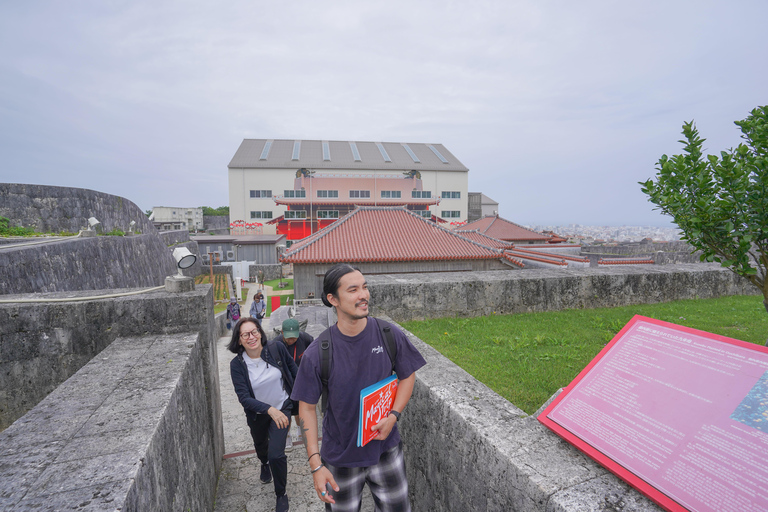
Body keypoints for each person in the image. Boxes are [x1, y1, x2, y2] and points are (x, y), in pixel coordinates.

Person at [291, 264, 426, 511]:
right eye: (353, 290)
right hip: (340, 459)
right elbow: (307, 409)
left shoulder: (388, 334)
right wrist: (316, 465)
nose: (363, 295)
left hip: (386, 451)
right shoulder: (318, 352)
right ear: (333, 299)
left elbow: (408, 375)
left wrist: (393, 416)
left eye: (364, 287)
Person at [229, 317, 297, 512]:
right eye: (246, 334)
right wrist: (269, 409)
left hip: (282, 407)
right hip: (259, 414)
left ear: (260, 332)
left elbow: (293, 369)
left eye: (255, 331)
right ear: (239, 340)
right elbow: (244, 398)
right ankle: (263, 462)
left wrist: (301, 395)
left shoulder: (276, 349)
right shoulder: (237, 365)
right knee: (261, 446)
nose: (252, 337)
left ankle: (281, 494)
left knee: (277, 454)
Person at [272, 318, 315, 451]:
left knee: (300, 406)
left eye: (294, 338)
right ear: (282, 332)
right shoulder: (275, 344)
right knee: (285, 409)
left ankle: (300, 431)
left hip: (300, 378)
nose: (291, 341)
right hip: (284, 380)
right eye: (288, 338)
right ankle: (287, 436)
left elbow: (314, 351)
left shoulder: (305, 338)